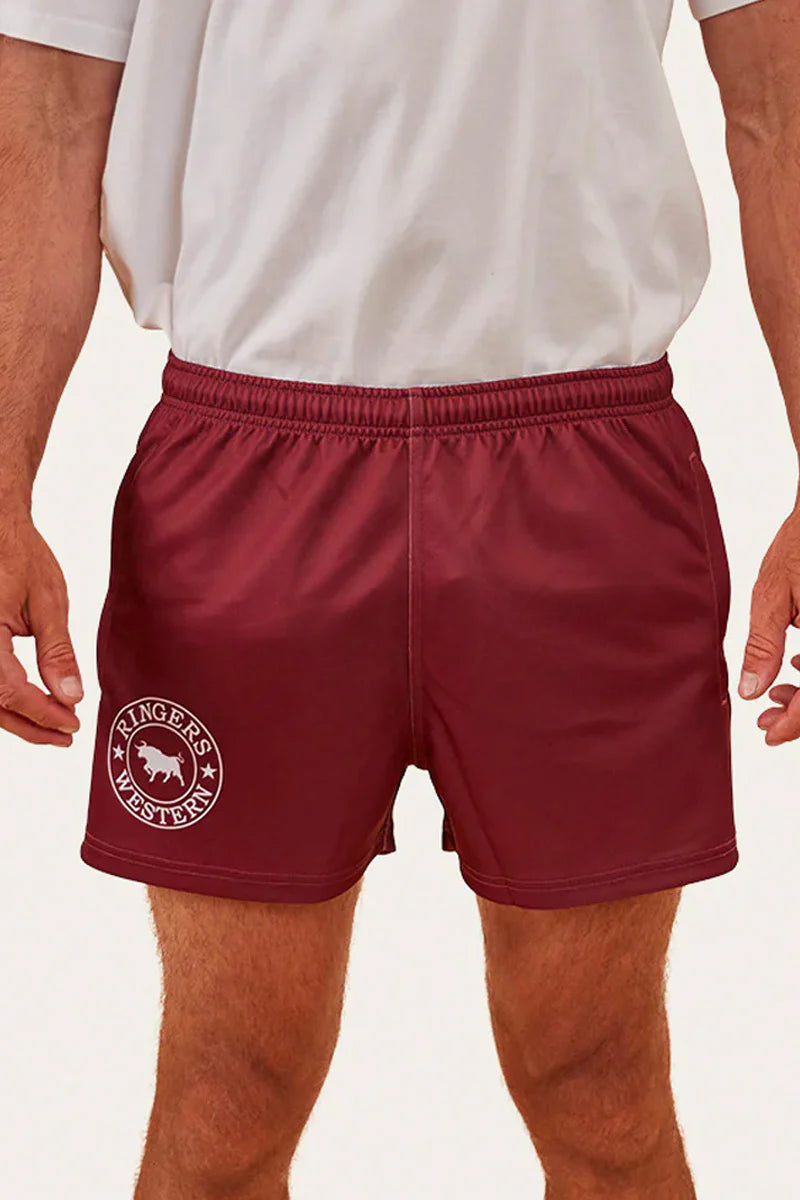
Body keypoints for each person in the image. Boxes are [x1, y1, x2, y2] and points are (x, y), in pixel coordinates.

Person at [0, 1, 797, 1195]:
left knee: (602, 1089)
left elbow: (778, 108)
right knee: (223, 1102)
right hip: (246, 466)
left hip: (583, 471)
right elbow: (49, 120)